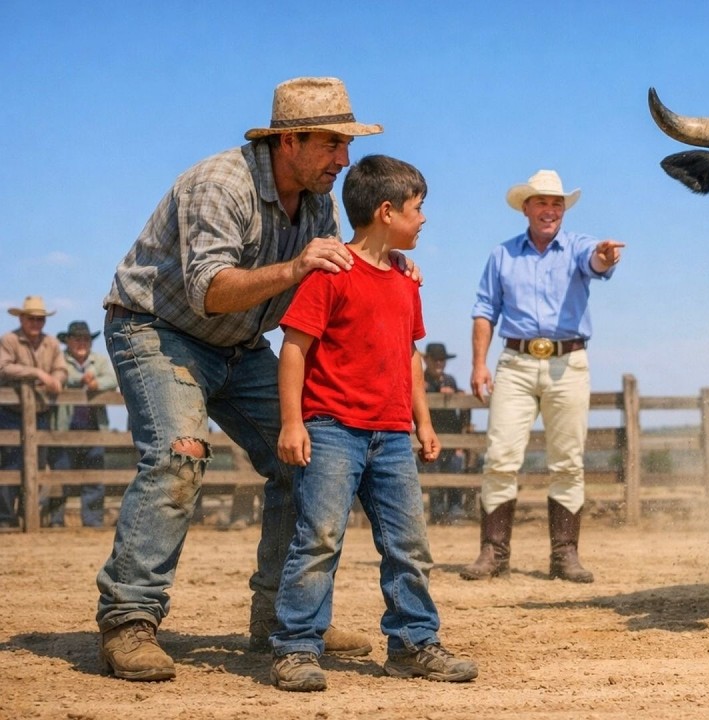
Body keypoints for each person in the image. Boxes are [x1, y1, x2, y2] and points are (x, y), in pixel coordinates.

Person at [95, 77, 393, 681]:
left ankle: (283, 619)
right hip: (158, 330)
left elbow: (330, 287)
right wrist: (299, 264)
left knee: (301, 453)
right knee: (180, 454)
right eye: (334, 143)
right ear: (290, 141)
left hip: (240, 345)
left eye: (346, 144)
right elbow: (209, 290)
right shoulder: (219, 184)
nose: (345, 159)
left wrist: (382, 267)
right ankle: (129, 619)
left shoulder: (317, 204)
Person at [269, 154, 477, 691]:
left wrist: (422, 422)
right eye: (418, 208)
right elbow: (294, 348)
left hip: (390, 435)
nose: (424, 219)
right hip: (332, 428)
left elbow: (408, 355)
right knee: (319, 539)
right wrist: (293, 423)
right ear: (387, 212)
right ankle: (295, 648)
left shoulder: (406, 282)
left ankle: (413, 643)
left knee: (409, 545)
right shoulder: (330, 274)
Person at [462, 169, 624, 583]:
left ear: (563, 211)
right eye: (542, 203)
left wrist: (604, 256)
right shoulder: (502, 255)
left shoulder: (577, 248)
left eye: (557, 204)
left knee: (568, 460)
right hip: (514, 363)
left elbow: (596, 261)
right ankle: (493, 553)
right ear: (526, 208)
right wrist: (479, 363)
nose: (550, 210)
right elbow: (484, 311)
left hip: (568, 362)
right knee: (500, 455)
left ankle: (564, 556)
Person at [0, 296, 67, 528]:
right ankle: (7, 517)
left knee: (39, 463)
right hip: (11, 412)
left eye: (40, 319)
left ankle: (31, 514)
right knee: (10, 462)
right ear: (22, 318)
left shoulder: (51, 343)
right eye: (32, 319)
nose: (36, 323)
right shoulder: (9, 340)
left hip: (41, 412)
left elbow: (61, 369)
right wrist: (38, 374)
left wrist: (55, 379)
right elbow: (4, 366)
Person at [47, 320, 116, 528]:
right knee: (61, 477)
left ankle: (93, 521)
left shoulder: (100, 361)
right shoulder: (60, 360)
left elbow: (112, 380)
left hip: (93, 429)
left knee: (94, 478)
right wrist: (83, 380)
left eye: (85, 339)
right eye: (77, 338)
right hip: (64, 429)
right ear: (67, 341)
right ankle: (56, 520)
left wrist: (97, 384)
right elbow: (59, 376)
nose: (81, 342)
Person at [422, 342, 472, 524]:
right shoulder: (421, 381)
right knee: (433, 473)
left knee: (454, 470)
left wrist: (457, 394)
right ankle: (437, 514)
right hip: (429, 436)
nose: (439, 363)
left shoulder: (450, 380)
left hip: (452, 436)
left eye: (442, 360)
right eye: (435, 360)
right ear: (427, 360)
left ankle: (454, 511)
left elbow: (465, 405)